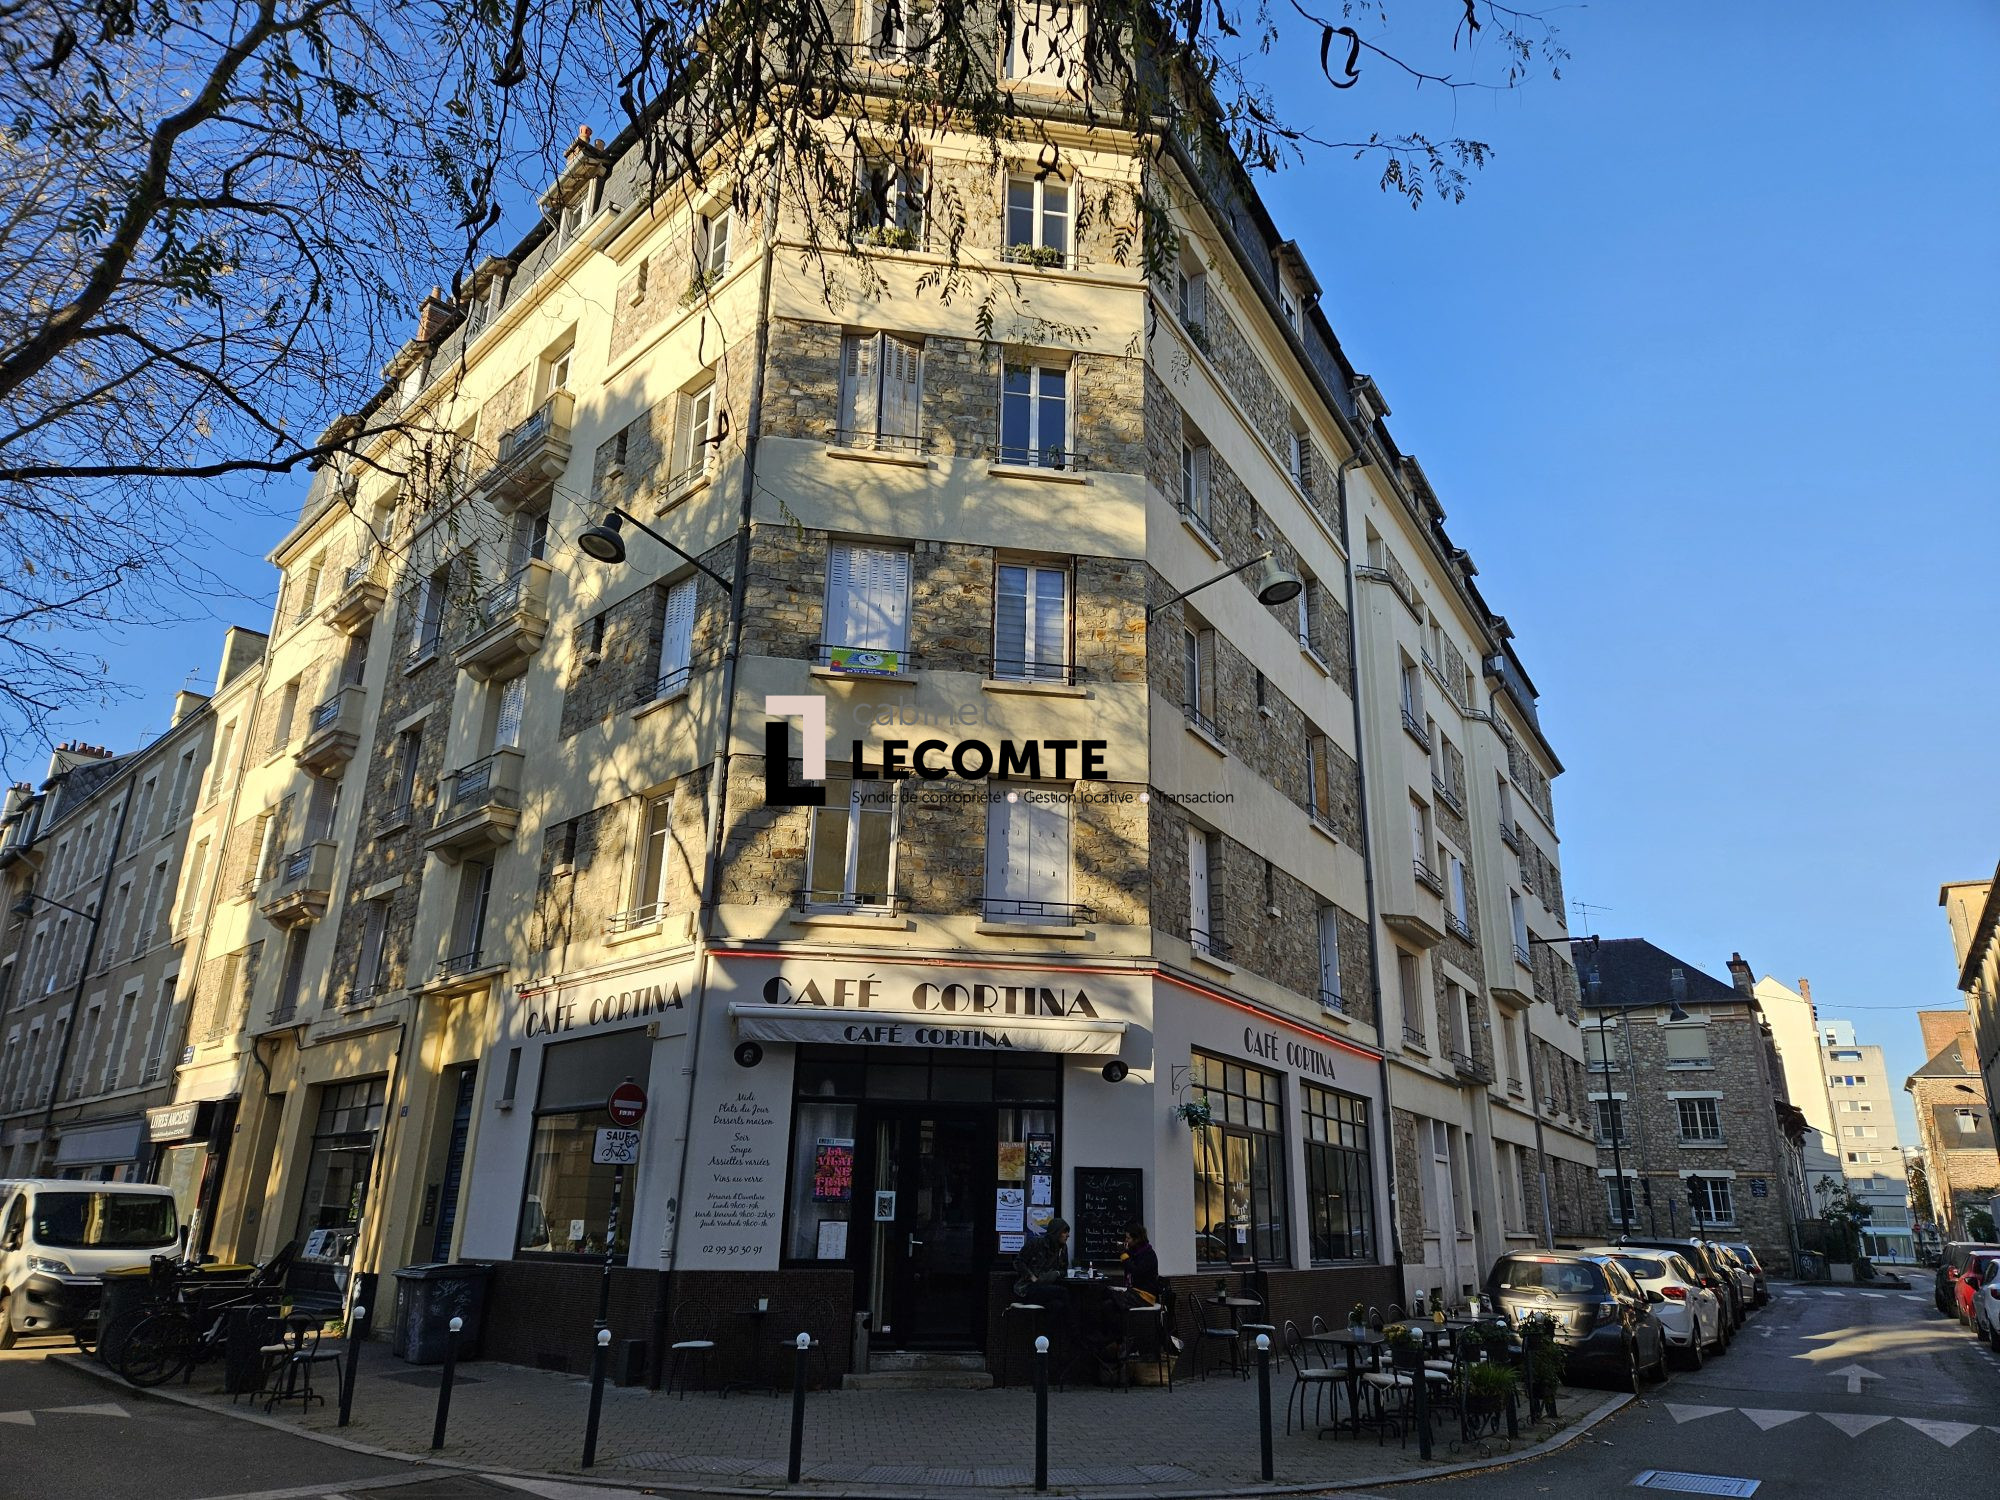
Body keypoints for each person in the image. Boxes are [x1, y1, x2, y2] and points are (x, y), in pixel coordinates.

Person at [1014, 1217, 1071, 1299]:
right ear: (1056, 1232)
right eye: (1065, 1232)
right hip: (1028, 1287)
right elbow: (1018, 1262)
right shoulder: (1036, 1243)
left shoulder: (1063, 1248)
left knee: (1058, 1303)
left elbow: (1063, 1270)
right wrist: (1031, 1277)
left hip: (1048, 1286)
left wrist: (1055, 1274)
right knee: (1062, 1292)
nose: (1068, 1235)